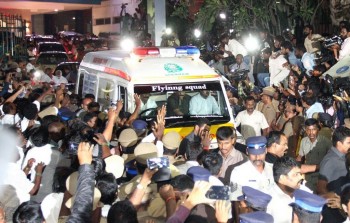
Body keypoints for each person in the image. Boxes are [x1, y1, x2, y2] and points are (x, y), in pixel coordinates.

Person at [317, 127, 350, 223]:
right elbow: (320, 188)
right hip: (334, 214)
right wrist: (335, 202)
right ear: (339, 143)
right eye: (349, 143)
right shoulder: (330, 161)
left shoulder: (345, 157)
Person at [267, 156, 305, 223]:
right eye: (295, 175)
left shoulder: (300, 189)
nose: (300, 177)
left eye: (300, 174)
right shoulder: (272, 201)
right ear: (282, 178)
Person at [297, 118, 331, 191]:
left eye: (314, 129)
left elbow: (331, 161)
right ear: (305, 130)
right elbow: (300, 157)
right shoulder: (303, 141)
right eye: (308, 130)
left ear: (318, 129)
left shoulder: (326, 142)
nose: (311, 132)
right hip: (308, 179)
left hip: (321, 178)